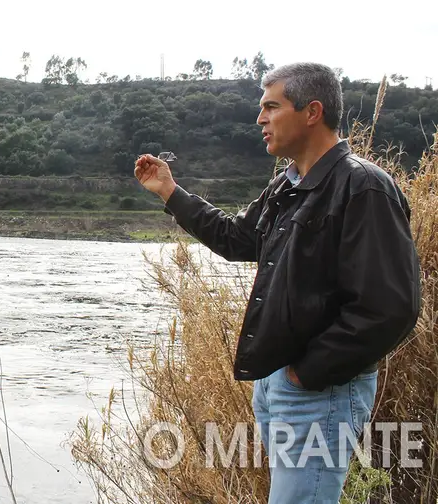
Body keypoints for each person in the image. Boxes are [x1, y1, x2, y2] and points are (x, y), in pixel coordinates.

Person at [133, 62, 421, 503]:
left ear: (312, 112)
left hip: (322, 390)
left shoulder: (362, 187)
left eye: (271, 107)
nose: (260, 119)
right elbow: (236, 238)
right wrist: (171, 193)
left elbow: (391, 308)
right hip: (280, 386)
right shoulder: (288, 186)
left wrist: (307, 373)